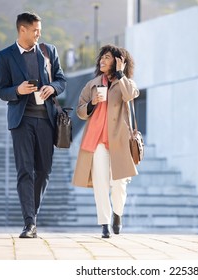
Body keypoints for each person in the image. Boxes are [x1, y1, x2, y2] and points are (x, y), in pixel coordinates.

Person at [0, 12, 66, 238]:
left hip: (46, 120)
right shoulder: (5, 56)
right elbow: (2, 91)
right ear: (22, 30)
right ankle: (29, 223)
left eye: (40, 30)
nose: (39, 34)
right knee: (25, 170)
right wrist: (17, 90)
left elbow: (61, 79)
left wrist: (52, 87)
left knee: (44, 170)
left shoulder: (49, 51)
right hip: (21, 120)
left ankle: (31, 216)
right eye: (35, 30)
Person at [72, 44, 139, 238]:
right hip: (97, 140)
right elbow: (80, 111)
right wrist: (92, 103)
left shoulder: (127, 82)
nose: (102, 60)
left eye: (107, 57)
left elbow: (130, 95)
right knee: (100, 183)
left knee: (119, 183)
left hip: (119, 140)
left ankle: (118, 213)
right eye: (101, 57)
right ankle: (104, 223)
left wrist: (120, 74)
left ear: (118, 61)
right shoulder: (91, 84)